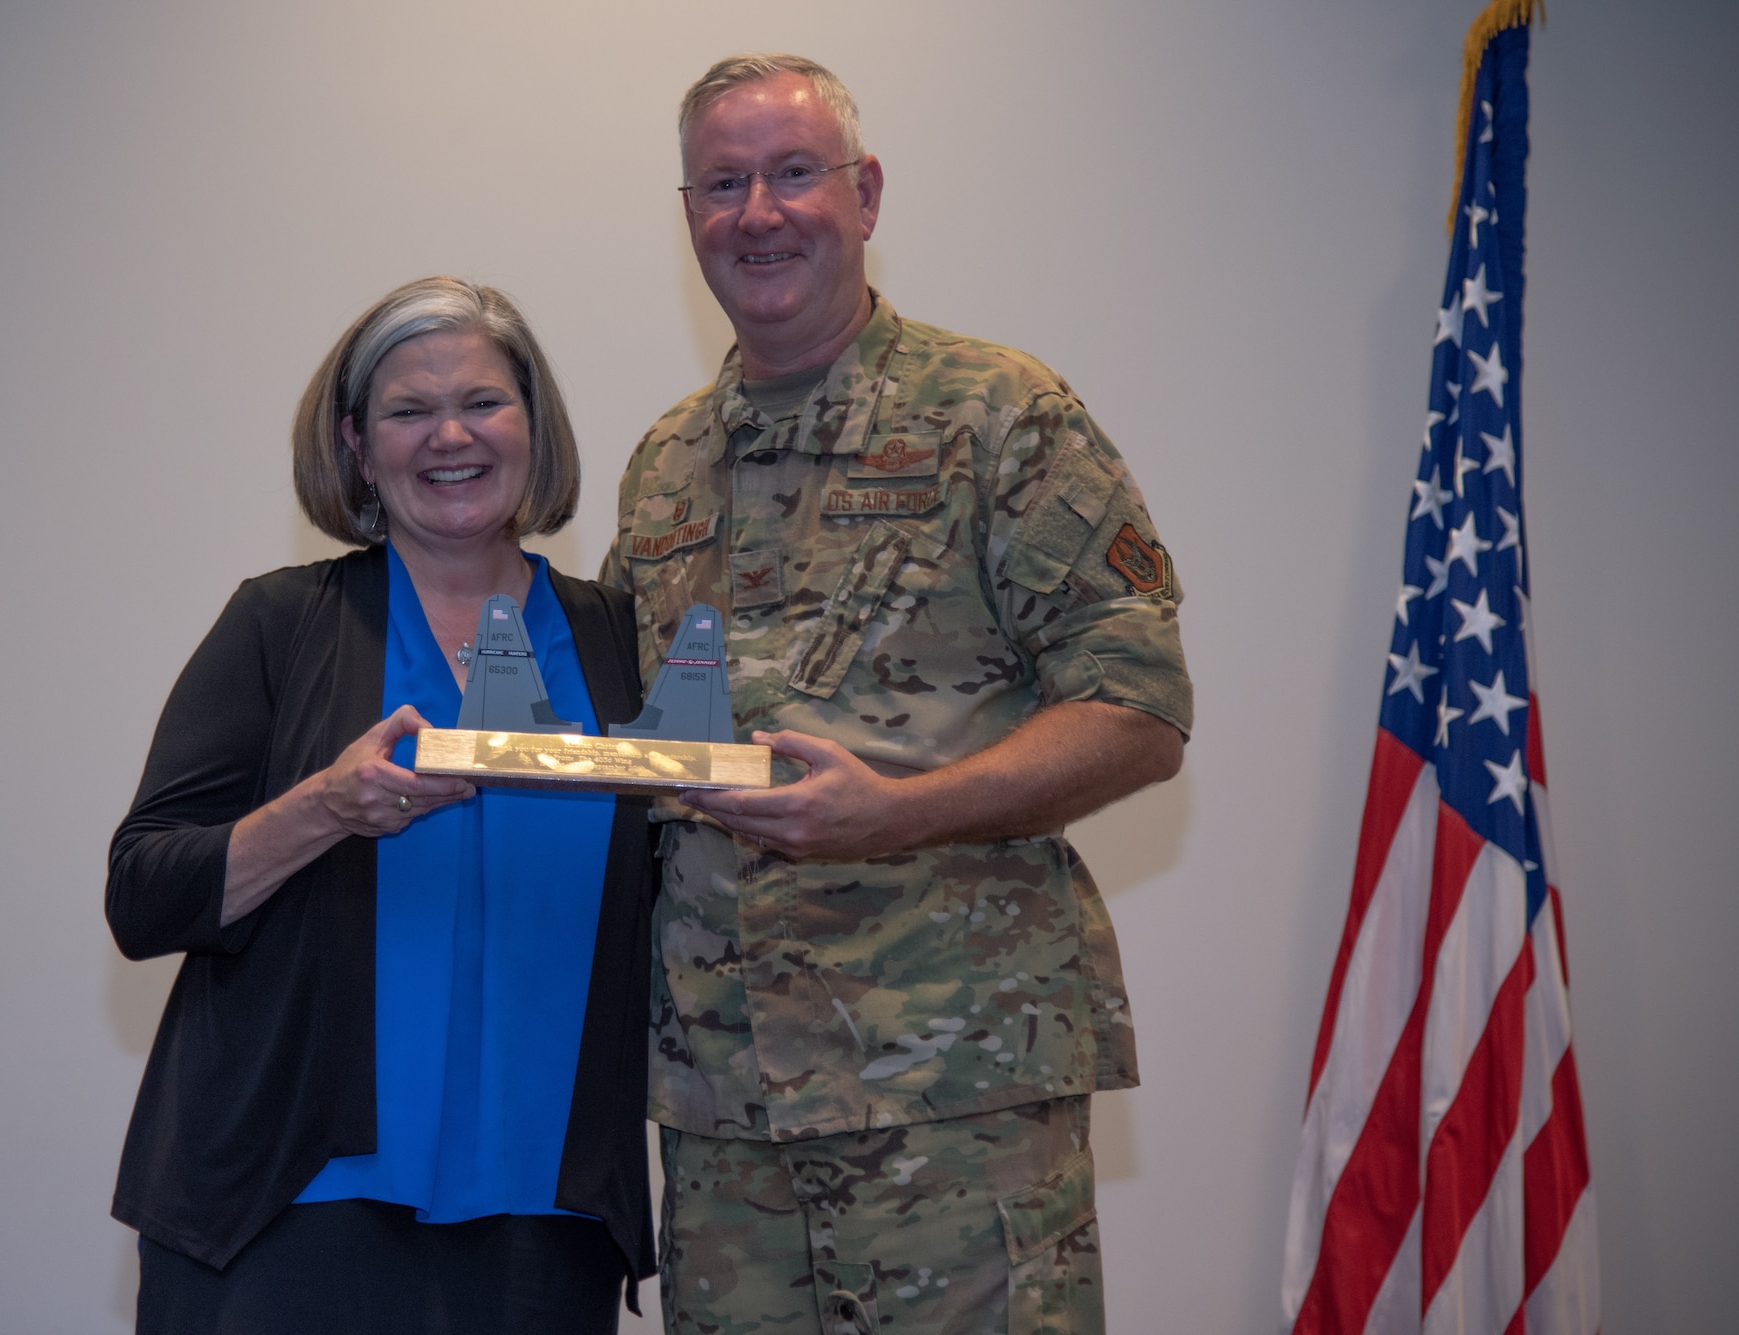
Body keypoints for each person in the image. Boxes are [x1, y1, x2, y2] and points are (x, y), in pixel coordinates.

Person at [597, 55, 1193, 1335]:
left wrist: (901, 811)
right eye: (722, 183)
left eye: (793, 172)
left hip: (951, 1087)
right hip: (721, 1110)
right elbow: (629, 750)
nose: (757, 211)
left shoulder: (997, 414)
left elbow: (1139, 712)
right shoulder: (661, 467)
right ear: (689, 213)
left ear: (863, 195)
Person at [107, 277, 655, 1333]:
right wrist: (325, 805)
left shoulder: (617, 641)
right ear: (357, 445)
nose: (450, 435)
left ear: (535, 429)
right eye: (408, 411)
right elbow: (143, 895)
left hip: (546, 1227)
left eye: (485, 403)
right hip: (288, 1208)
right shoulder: (280, 625)